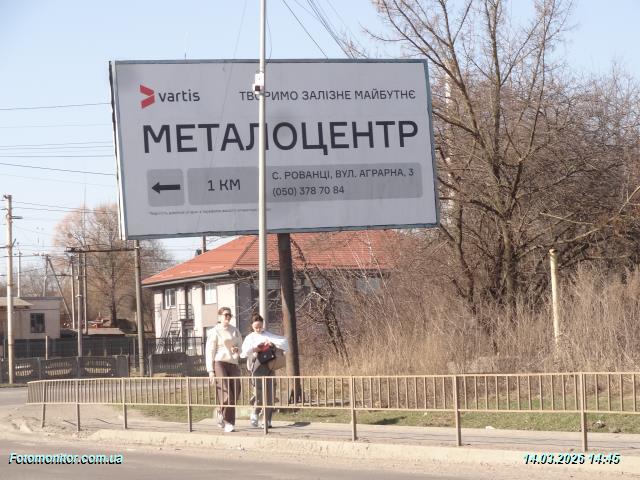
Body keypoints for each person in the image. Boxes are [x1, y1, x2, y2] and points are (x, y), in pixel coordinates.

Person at [240, 313, 288, 428]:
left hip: (270, 365)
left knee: (270, 393)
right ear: (252, 326)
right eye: (256, 327)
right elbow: (244, 353)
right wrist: (255, 349)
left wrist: (271, 345)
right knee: (258, 393)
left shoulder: (268, 335)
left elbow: (283, 343)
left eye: (260, 326)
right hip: (257, 367)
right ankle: (255, 412)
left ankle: (267, 419)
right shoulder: (250, 337)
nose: (258, 329)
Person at [205, 306, 243, 433]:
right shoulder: (214, 331)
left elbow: (240, 347)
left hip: (233, 363)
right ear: (220, 316)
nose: (228, 317)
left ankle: (220, 412)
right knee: (226, 392)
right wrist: (210, 371)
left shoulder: (235, 330)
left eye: (229, 315)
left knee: (236, 391)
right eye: (225, 315)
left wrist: (237, 350)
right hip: (219, 363)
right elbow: (210, 351)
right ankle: (229, 422)